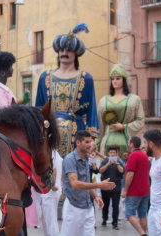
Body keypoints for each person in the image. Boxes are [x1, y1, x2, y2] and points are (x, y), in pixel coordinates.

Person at [35, 23, 99, 157]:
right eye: (61, 50)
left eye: (68, 50)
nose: (64, 53)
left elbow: (92, 109)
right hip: (50, 133)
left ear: (75, 53)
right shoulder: (44, 77)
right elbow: (39, 110)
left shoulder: (86, 78)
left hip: (77, 134)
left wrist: (92, 139)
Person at [60, 130, 116, 236]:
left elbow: (86, 182)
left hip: (88, 207)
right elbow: (75, 184)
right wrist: (99, 185)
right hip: (73, 206)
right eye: (86, 142)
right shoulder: (70, 159)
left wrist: (95, 196)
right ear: (77, 143)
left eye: (90, 141)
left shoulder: (87, 158)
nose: (90, 144)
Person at [97, 64, 145, 156]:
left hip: (126, 141)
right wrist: (97, 142)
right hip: (107, 141)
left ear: (124, 79)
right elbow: (99, 123)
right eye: (112, 78)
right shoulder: (103, 100)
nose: (114, 81)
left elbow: (140, 121)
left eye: (118, 78)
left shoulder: (134, 99)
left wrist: (123, 127)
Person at [121, 136, 150, 236]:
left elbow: (130, 174)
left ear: (132, 144)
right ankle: (143, 233)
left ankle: (142, 234)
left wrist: (125, 190)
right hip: (145, 189)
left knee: (129, 214)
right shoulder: (144, 155)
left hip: (134, 190)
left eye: (129, 142)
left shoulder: (133, 155)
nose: (128, 144)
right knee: (142, 214)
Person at [37, 149, 63, 236]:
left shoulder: (51, 154)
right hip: (53, 190)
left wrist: (52, 185)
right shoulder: (57, 154)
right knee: (48, 219)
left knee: (50, 220)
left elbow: (53, 169)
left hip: (50, 192)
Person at [99, 145, 125, 230]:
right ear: (108, 153)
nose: (112, 154)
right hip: (105, 186)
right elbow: (100, 170)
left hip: (116, 186)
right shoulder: (105, 161)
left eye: (114, 153)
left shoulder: (119, 161)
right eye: (111, 152)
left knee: (115, 205)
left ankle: (115, 222)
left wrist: (117, 164)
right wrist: (107, 164)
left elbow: (122, 171)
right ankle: (104, 219)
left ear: (117, 153)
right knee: (105, 204)